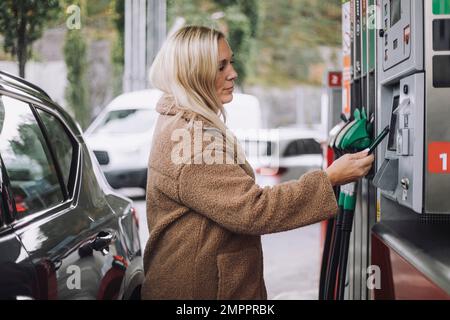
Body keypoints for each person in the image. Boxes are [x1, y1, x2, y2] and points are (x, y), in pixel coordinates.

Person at [141, 25, 374, 300]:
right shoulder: (193, 141)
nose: (233, 74)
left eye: (231, 62)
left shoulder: (179, 119)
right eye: (220, 67)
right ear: (193, 73)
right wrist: (330, 178)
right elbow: (254, 209)